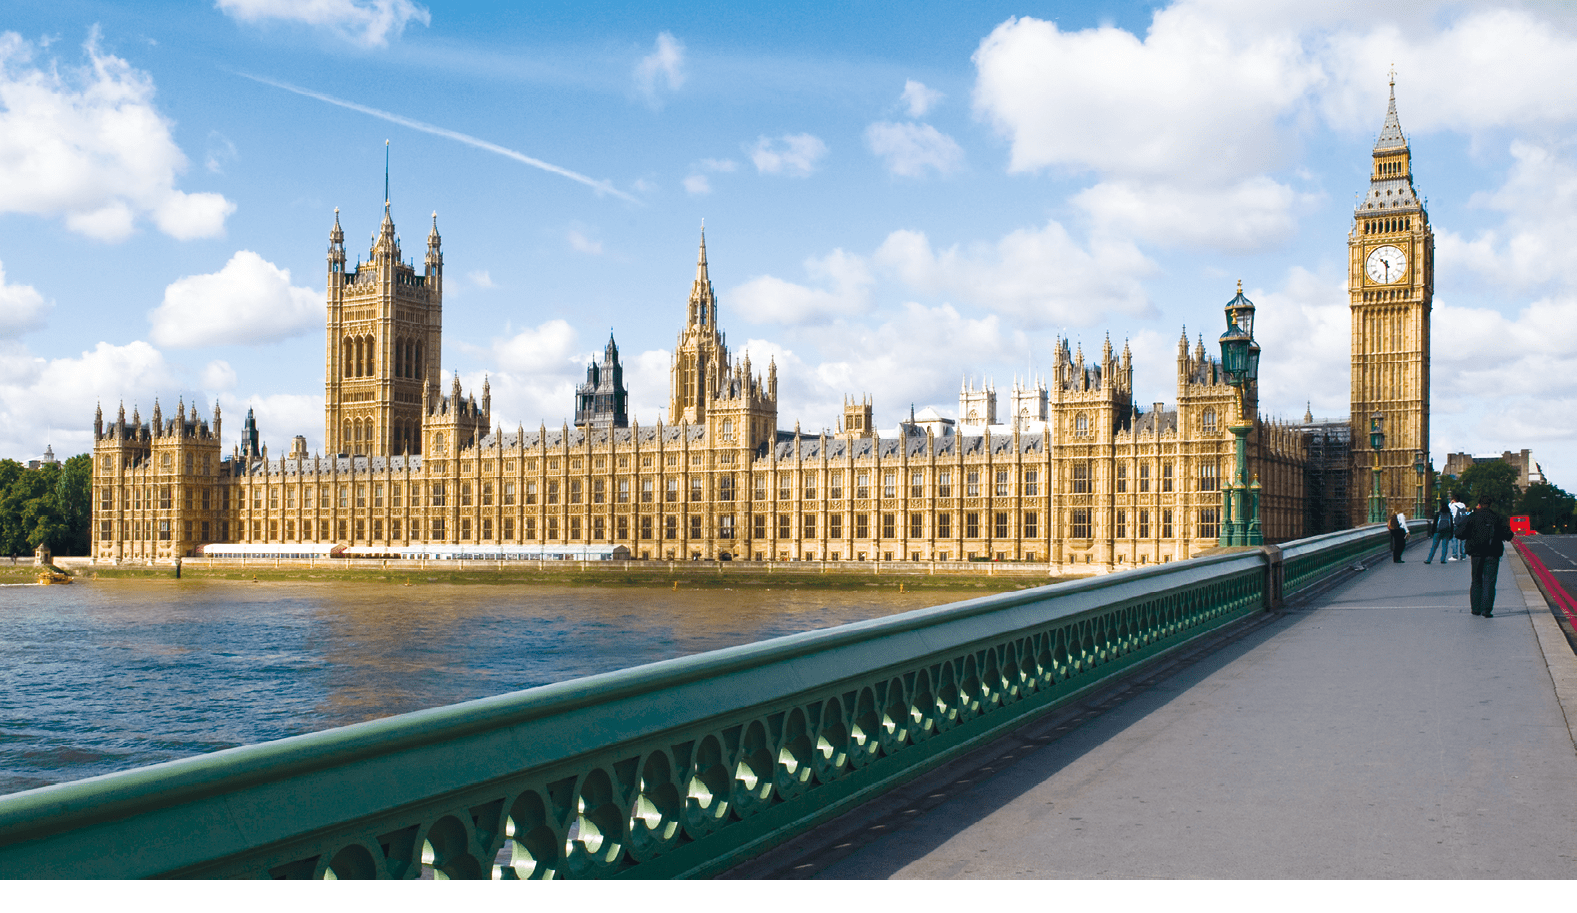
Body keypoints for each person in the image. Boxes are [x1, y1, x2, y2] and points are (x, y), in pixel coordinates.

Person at [1458, 493, 1514, 618]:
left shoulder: (1472, 517)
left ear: (1479, 504)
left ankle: (1475, 609)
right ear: (1491, 504)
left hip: (1476, 554)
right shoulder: (1497, 517)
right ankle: (1486, 610)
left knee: (1476, 580)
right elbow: (1509, 535)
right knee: (1489, 581)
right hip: (1493, 553)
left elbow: (1459, 533)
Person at [1424, 499, 1454, 564]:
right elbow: (1451, 525)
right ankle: (1443, 559)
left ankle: (1429, 560)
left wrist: (1432, 532)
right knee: (1445, 547)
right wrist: (1451, 534)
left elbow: (1434, 524)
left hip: (1437, 532)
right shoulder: (1449, 514)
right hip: (1447, 532)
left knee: (1434, 546)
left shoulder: (1438, 514)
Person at [1449, 494, 1469, 561]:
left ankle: (1454, 556)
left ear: (1454, 500)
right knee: (1463, 540)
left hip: (1455, 524)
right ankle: (1463, 556)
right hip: (1463, 524)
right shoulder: (1463, 505)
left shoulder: (1452, 506)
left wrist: (1450, 503)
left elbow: (1449, 511)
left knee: (1454, 540)